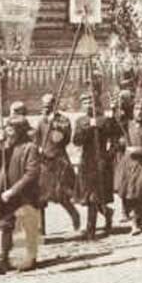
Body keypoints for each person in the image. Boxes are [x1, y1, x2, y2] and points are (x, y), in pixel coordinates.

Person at [0, 115, 41, 274]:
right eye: (8, 129)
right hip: (6, 193)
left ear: (20, 131)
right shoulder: (6, 147)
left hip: (25, 195)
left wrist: (13, 191)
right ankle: (0, 261)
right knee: (4, 224)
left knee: (27, 226)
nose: (9, 133)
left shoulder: (30, 148)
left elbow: (31, 174)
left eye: (12, 129)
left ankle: (30, 258)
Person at [72, 91, 123, 239]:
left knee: (94, 197)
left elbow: (116, 135)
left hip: (101, 161)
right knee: (89, 197)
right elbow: (76, 140)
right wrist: (88, 128)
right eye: (85, 103)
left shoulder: (103, 120)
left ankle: (90, 230)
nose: (88, 105)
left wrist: (109, 155)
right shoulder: (81, 121)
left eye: (90, 102)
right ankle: (107, 212)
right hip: (87, 161)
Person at [33, 92, 82, 235]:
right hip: (44, 162)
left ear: (55, 105)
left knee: (63, 195)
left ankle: (75, 216)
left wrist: (54, 125)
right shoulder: (41, 121)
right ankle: (41, 229)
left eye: (49, 105)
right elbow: (36, 140)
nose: (46, 108)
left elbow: (62, 140)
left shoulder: (63, 120)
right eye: (44, 106)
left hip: (59, 162)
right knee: (40, 197)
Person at [114, 97, 142, 234]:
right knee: (127, 193)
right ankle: (139, 215)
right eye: (136, 109)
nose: (139, 112)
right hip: (127, 163)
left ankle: (135, 224)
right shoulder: (127, 124)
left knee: (138, 193)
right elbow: (116, 123)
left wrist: (138, 150)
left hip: (141, 164)